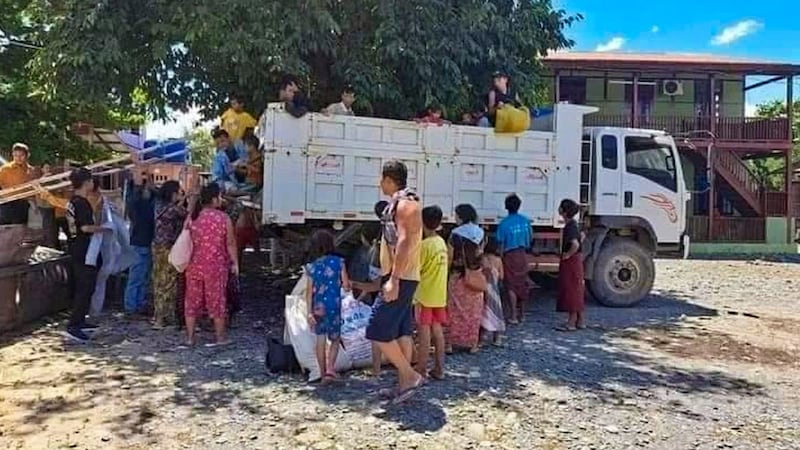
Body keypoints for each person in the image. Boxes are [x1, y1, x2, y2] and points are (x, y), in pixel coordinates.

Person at [365, 160, 425, 403]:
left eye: (382, 179)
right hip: (402, 276)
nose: (380, 183)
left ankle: (410, 376)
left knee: (376, 329)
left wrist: (394, 279)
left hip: (401, 278)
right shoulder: (403, 203)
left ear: (390, 179)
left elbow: (403, 241)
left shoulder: (404, 205)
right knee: (402, 332)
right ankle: (403, 386)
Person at [184, 183, 239, 347]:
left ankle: (190, 338)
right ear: (214, 199)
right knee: (216, 301)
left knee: (192, 301)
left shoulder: (193, 217)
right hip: (216, 267)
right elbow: (230, 243)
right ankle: (220, 338)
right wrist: (235, 262)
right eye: (220, 196)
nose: (221, 200)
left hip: (193, 265)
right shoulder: (223, 218)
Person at [305, 229, 351, 383]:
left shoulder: (311, 267)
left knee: (320, 339)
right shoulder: (339, 262)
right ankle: (331, 369)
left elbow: (309, 292)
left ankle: (322, 372)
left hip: (318, 307)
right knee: (335, 339)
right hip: (334, 305)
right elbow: (346, 285)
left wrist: (309, 312)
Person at [64, 168, 104, 342]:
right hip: (84, 248)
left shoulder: (73, 201)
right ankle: (74, 325)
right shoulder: (81, 203)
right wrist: (104, 228)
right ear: (86, 182)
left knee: (85, 286)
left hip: (76, 247)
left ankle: (80, 321)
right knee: (84, 287)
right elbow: (85, 227)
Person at [414, 205, 449, 380]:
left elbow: (415, 270)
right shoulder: (441, 242)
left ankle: (421, 368)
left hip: (424, 294)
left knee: (423, 331)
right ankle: (439, 368)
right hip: (439, 294)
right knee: (437, 331)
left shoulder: (424, 246)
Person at [446, 204, 486, 354]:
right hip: (475, 274)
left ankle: (450, 343)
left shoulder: (455, 234)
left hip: (457, 275)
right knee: (474, 311)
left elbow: (450, 256)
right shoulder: (480, 232)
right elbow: (480, 253)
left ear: (461, 216)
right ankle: (472, 343)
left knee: (454, 309)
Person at [151, 180, 188, 329]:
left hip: (157, 247)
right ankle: (163, 317)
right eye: (179, 192)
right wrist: (188, 200)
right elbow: (188, 214)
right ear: (173, 193)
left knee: (159, 282)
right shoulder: (172, 209)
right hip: (169, 248)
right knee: (169, 282)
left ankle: (159, 316)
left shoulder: (159, 206)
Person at [124, 162, 156, 316]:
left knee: (143, 277)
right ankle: (131, 307)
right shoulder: (135, 203)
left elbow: (153, 188)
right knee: (136, 277)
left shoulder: (149, 203)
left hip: (147, 243)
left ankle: (140, 304)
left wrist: (148, 175)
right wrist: (138, 166)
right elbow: (137, 187)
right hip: (138, 243)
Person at [496, 193, 532, 324]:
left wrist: (499, 258)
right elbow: (530, 239)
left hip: (510, 256)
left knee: (510, 285)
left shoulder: (503, 224)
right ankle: (522, 315)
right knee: (522, 284)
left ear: (506, 207)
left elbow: (501, 243)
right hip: (522, 254)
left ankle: (513, 316)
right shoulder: (525, 221)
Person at [556, 199, 585, 332]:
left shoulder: (570, 226)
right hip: (577, 260)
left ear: (564, 211)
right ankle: (580, 320)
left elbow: (575, 244)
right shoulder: (575, 224)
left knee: (571, 289)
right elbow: (582, 237)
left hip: (572, 261)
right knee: (577, 288)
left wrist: (567, 254)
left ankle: (571, 323)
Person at [0, 143, 36, 225]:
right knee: (5, 230)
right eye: (15, 155)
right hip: (7, 203)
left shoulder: (31, 171)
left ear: (27, 155)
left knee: (20, 230)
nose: (18, 158)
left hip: (23, 204)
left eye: (21, 155)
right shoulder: (5, 169)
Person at [480, 238, 506, 346]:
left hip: (483, 288)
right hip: (494, 290)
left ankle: (481, 338)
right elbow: (501, 276)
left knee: (483, 311)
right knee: (496, 311)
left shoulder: (482, 259)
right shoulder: (498, 260)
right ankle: (497, 338)